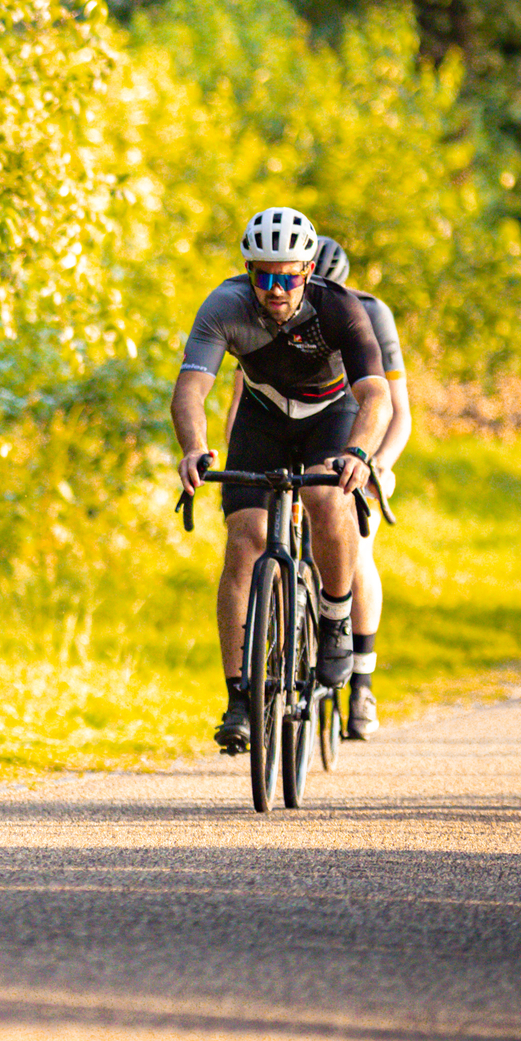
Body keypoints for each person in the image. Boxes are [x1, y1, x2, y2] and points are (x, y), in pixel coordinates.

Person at [171, 206, 391, 755]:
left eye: (289, 276)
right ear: (249, 272)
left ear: (308, 271)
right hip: (263, 419)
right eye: (264, 276)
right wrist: (195, 448)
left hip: (330, 416)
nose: (276, 290)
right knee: (244, 541)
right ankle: (240, 699)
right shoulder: (224, 305)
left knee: (324, 495)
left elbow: (376, 396)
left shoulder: (339, 307)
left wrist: (360, 454)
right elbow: (191, 389)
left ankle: (336, 617)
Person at [308, 239, 410, 738]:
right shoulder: (282, 315)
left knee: (358, 549)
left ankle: (363, 685)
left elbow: (397, 406)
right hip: (304, 437)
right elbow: (245, 395)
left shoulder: (368, 312)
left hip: (361, 440)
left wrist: (380, 465)